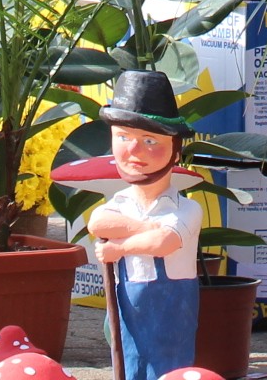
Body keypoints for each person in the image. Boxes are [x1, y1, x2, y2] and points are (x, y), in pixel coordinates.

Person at [82, 69, 204, 380]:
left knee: (169, 368)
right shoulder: (119, 203)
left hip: (173, 308)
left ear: (175, 148)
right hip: (128, 307)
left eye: (150, 140)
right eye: (123, 138)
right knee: (130, 363)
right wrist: (150, 229)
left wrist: (120, 247)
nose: (134, 151)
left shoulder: (187, 208)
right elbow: (99, 222)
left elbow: (164, 243)